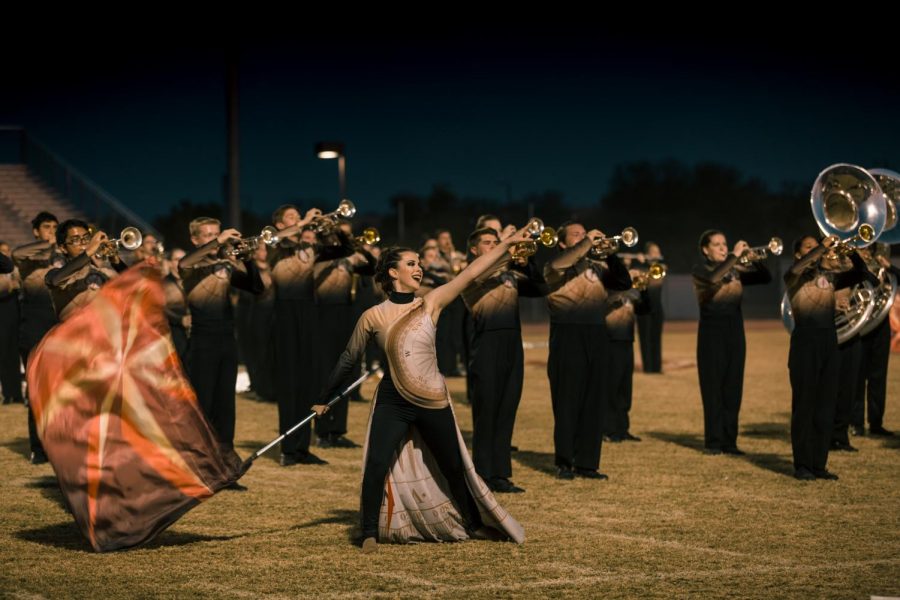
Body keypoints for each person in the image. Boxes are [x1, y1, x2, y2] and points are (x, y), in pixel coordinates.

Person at [320, 228, 531, 553]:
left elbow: (472, 272)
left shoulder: (431, 303)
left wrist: (504, 246)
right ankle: (368, 533)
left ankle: (474, 524)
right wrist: (324, 398)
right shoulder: (373, 316)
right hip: (392, 400)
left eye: (419, 262)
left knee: (453, 466)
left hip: (432, 400)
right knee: (377, 464)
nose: (418, 268)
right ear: (393, 272)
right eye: (411, 263)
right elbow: (349, 358)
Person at [544, 222, 632, 480]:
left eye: (585, 234)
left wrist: (610, 251)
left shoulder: (598, 266)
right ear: (563, 243)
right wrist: (586, 244)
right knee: (568, 400)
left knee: (595, 401)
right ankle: (564, 462)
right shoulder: (554, 266)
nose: (583, 237)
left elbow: (624, 283)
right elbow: (560, 265)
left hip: (597, 333)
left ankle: (587, 463)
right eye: (576, 235)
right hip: (567, 334)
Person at [462, 227, 544, 494]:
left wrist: (527, 261)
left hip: (512, 343)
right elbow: (484, 270)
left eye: (495, 242)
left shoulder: (509, 273)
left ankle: (500, 475)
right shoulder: (472, 272)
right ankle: (482, 474)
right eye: (487, 243)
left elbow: (541, 287)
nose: (493, 246)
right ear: (474, 249)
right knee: (487, 411)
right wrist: (505, 253)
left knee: (507, 407)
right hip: (486, 343)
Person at [785, 235, 868, 480]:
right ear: (799, 254)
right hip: (804, 344)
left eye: (816, 247)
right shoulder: (794, 276)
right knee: (805, 406)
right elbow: (797, 267)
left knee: (825, 405)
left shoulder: (831, 277)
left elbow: (860, 273)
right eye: (808, 247)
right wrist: (821, 246)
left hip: (829, 343)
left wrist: (851, 251)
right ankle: (802, 465)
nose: (816, 251)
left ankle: (819, 465)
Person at [179, 218, 263, 459]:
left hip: (227, 339)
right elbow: (184, 261)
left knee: (226, 406)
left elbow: (256, 287)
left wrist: (247, 257)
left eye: (215, 233)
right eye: (207, 235)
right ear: (195, 240)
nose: (214, 238)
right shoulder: (190, 266)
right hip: (202, 341)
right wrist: (220, 240)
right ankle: (200, 460)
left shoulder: (225, 265)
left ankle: (226, 459)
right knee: (203, 403)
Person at [692, 230, 771, 456]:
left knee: (733, 389)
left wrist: (755, 260)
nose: (722, 248)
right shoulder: (701, 269)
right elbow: (713, 278)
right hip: (711, 334)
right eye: (716, 245)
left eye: (724, 244)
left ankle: (730, 442)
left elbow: (766, 278)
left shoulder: (735, 269)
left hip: (735, 333)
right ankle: (713, 442)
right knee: (713, 389)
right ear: (705, 250)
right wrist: (734, 256)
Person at [12, 211, 61, 464]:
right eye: (46, 227)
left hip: (59, 331)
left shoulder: (62, 258)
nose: (51, 230)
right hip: (32, 330)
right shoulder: (28, 259)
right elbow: (16, 254)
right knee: (37, 392)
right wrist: (48, 244)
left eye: (55, 227)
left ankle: (59, 445)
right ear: (36, 231)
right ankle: (38, 448)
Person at [851, 246, 899, 437]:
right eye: (862, 249)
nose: (866, 253)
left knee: (878, 377)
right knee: (857, 377)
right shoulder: (852, 268)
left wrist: (889, 267)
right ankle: (856, 423)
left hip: (880, 327)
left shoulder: (881, 269)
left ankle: (876, 423)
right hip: (859, 326)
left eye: (869, 250)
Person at [45, 220, 129, 320]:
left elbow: (134, 282)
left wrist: (116, 261)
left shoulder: (104, 273)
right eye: (76, 240)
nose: (84, 242)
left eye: (86, 238)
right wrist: (89, 251)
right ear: (63, 248)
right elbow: (55, 280)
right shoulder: (54, 273)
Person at [604, 280, 650, 442]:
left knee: (625, 389)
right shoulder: (606, 289)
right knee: (611, 388)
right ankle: (609, 430)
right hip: (610, 342)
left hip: (627, 342)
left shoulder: (631, 295)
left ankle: (623, 428)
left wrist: (644, 290)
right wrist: (623, 291)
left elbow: (645, 310)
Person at [635, 242, 665, 373]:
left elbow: (656, 278)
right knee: (645, 339)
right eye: (653, 251)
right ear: (647, 254)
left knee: (656, 339)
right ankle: (648, 368)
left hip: (657, 308)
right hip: (643, 308)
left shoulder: (661, 267)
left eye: (658, 251)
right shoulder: (639, 268)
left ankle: (657, 368)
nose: (656, 254)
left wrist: (648, 262)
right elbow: (639, 283)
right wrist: (641, 263)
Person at [0, 241, 23, 405]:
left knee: (15, 356)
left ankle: (17, 393)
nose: (6, 253)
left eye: (8, 250)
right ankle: (8, 393)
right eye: (3, 251)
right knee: (3, 355)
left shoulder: (14, 269)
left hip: (15, 315)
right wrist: (10, 286)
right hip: (2, 315)